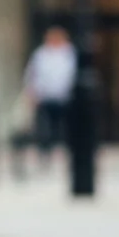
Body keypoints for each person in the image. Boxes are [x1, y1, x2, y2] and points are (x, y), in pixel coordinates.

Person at [23, 26, 77, 170]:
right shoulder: (41, 54)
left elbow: (72, 75)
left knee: (63, 128)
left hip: (63, 98)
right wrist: (32, 93)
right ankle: (45, 154)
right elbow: (32, 75)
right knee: (44, 129)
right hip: (44, 97)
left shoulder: (69, 53)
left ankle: (64, 153)